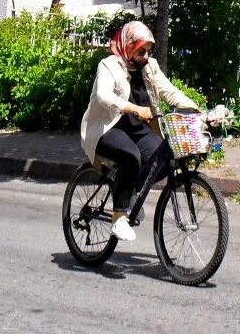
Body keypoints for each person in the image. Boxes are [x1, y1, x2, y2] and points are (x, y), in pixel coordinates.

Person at [79, 19, 196, 242]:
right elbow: (104, 96)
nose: (145, 56)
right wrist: (134, 108)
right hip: (107, 128)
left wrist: (196, 109)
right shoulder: (109, 65)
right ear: (128, 45)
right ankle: (118, 218)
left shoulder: (149, 68)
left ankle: (129, 192)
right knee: (130, 156)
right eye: (141, 51)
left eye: (148, 51)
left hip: (136, 130)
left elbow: (169, 92)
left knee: (166, 157)